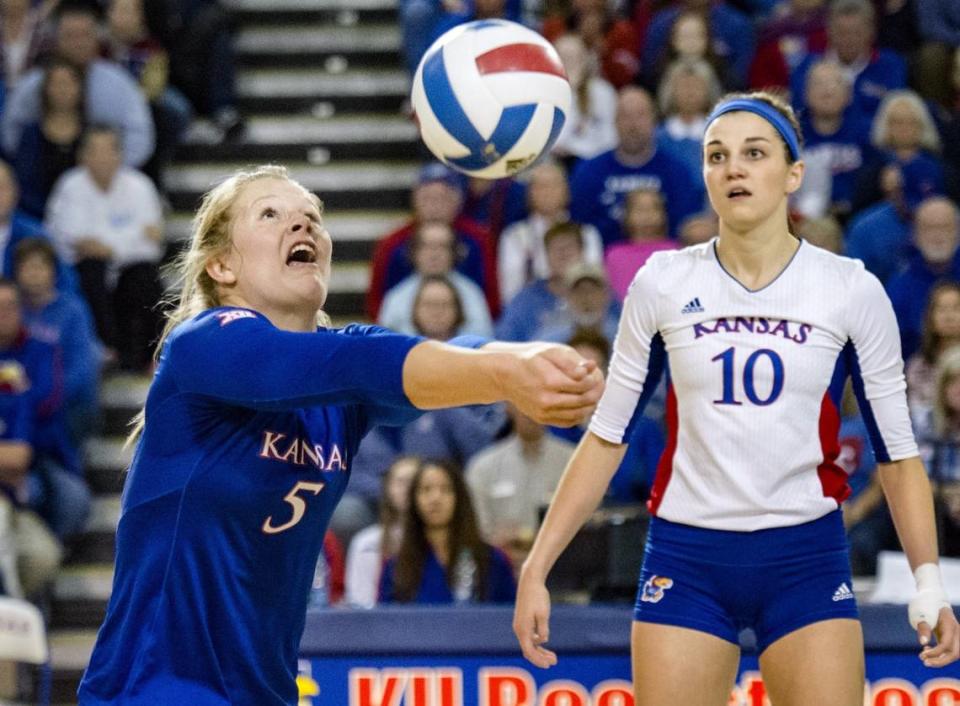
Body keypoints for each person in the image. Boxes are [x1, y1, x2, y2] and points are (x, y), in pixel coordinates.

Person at [77, 164, 603, 705]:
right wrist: (507, 375)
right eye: (271, 215)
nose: (302, 226)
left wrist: (530, 359)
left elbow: (440, 356)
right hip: (154, 688)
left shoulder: (341, 378)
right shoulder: (203, 344)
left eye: (312, 218)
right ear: (221, 265)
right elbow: (353, 363)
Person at [514, 92, 959, 706]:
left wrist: (928, 580)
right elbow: (606, 436)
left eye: (755, 153)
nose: (734, 169)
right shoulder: (664, 282)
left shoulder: (850, 289)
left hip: (805, 556)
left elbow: (898, 453)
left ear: (793, 173)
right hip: (688, 556)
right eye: (717, 155)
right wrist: (538, 568)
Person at [45, 125, 165, 372]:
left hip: (130, 269)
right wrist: (130, 238)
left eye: (109, 150)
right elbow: (69, 238)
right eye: (95, 151)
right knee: (91, 271)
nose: (102, 157)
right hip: (87, 271)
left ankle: (148, 356)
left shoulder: (140, 186)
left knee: (144, 278)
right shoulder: (70, 186)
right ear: (82, 155)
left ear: (120, 154)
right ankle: (106, 350)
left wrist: (105, 246)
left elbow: (152, 245)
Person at [379, 459, 517, 604]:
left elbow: (507, 617)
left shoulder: (493, 560)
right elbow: (385, 621)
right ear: (414, 500)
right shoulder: (396, 567)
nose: (435, 498)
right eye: (426, 489)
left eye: (445, 489)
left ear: (460, 498)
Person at [344, 455, 420, 608]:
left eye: (415, 482)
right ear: (388, 488)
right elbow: (360, 604)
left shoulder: (443, 540)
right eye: (401, 482)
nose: (408, 489)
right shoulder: (367, 542)